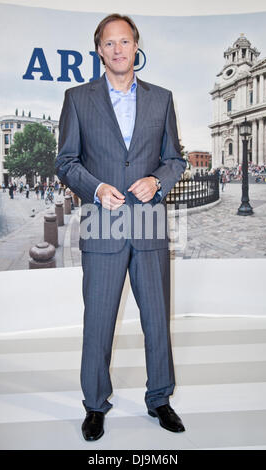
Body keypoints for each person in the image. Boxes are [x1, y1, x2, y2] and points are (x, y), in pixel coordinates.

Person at [55, 13, 187, 442]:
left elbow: (176, 160)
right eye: (109, 43)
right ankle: (95, 405)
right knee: (98, 323)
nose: (117, 49)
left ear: (136, 47)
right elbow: (66, 161)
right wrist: (95, 189)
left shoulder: (162, 99)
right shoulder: (77, 98)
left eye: (124, 41)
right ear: (99, 51)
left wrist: (157, 181)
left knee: (156, 320)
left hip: (149, 222)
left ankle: (160, 399)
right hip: (102, 222)